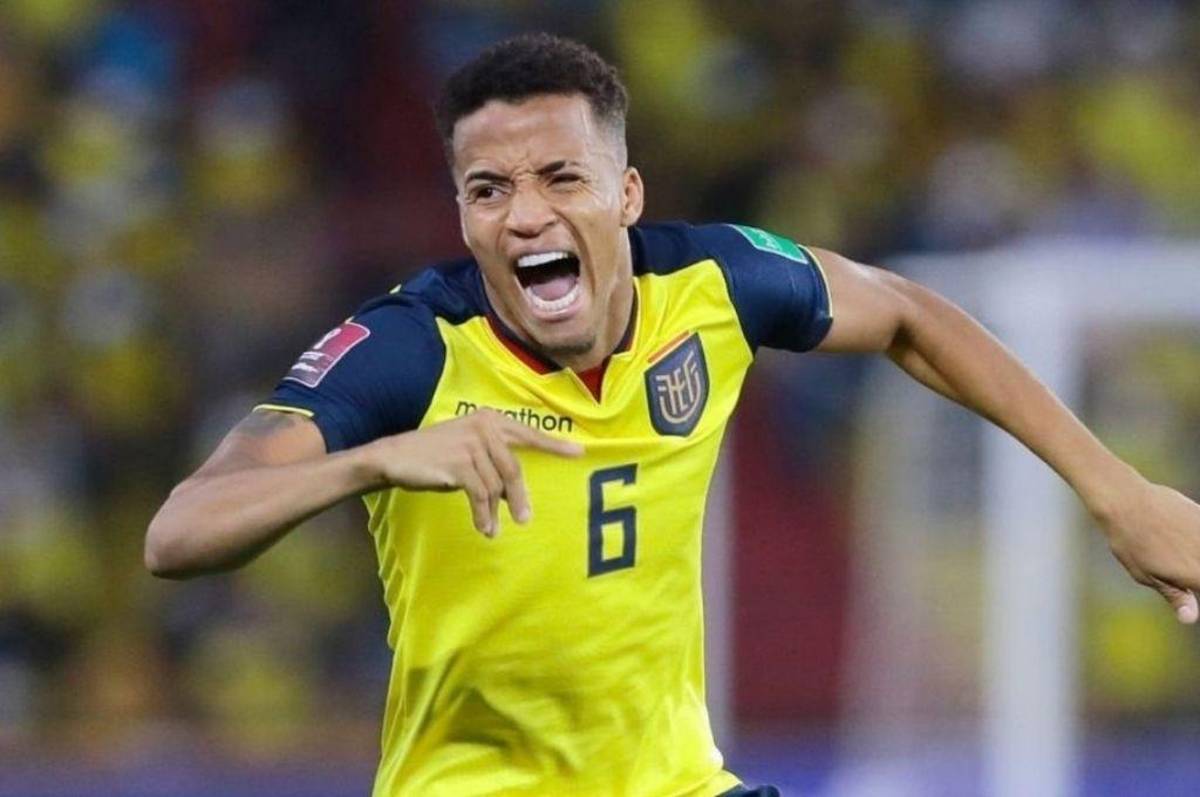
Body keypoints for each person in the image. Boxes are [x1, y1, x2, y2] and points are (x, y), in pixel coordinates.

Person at [145, 32, 1200, 797]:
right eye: (488, 189)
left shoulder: (714, 286)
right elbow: (178, 532)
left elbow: (909, 314)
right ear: (462, 214)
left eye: (561, 177)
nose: (526, 214)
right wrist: (373, 462)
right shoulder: (411, 348)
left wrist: (1117, 491)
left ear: (628, 194)